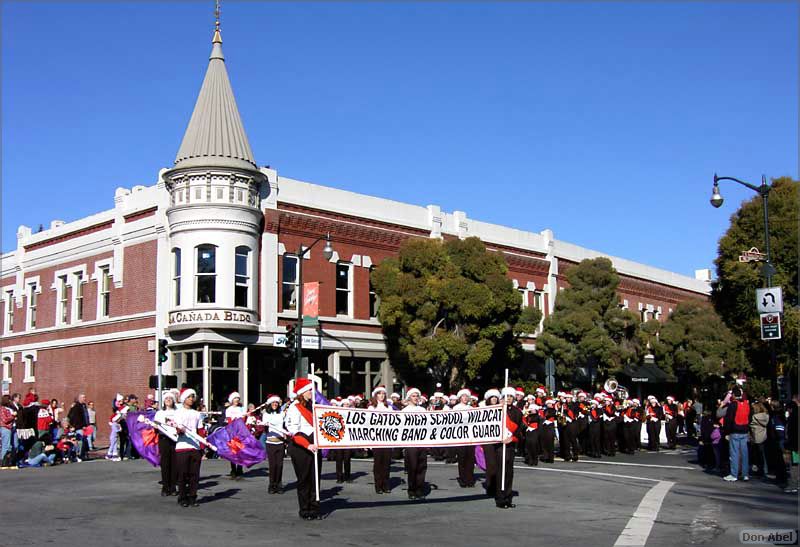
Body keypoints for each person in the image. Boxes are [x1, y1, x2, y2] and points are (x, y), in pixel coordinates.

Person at [285, 378, 321, 520]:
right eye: (310, 389)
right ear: (302, 392)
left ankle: (315, 507)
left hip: (314, 444)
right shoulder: (294, 407)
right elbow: (294, 431)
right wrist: (307, 445)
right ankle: (305, 509)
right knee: (304, 479)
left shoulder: (313, 406)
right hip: (301, 446)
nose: (312, 392)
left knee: (315, 478)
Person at [484, 387, 523, 509]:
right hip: (499, 445)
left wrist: (512, 438)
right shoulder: (498, 410)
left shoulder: (517, 412)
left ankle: (508, 496)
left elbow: (520, 429)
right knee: (501, 471)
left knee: (509, 472)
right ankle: (500, 498)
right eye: (506, 397)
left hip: (510, 444)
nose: (509, 399)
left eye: (511, 397)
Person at [173, 388, 203, 507]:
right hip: (182, 446)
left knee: (194, 474)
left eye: (192, 397)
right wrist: (180, 430)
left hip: (195, 447)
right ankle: (182, 497)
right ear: (184, 399)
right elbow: (176, 429)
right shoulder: (178, 413)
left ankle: (193, 497)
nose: (191, 399)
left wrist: (202, 447)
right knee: (183, 474)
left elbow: (200, 431)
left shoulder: (197, 414)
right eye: (189, 397)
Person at [402, 388, 427, 500]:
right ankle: (411, 489)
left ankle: (419, 489)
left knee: (422, 466)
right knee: (412, 466)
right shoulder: (404, 411)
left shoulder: (423, 410)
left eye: (417, 395)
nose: (416, 398)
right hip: (410, 443)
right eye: (413, 396)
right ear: (409, 398)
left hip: (421, 442)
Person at [368, 385, 393, 494]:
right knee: (378, 463)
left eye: (383, 393)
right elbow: (368, 424)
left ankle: (386, 485)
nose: (381, 395)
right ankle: (378, 485)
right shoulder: (371, 408)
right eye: (379, 393)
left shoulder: (389, 407)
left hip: (387, 438)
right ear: (375, 395)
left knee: (387, 463)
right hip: (376, 439)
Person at [722, 387, 751, 482]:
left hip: (734, 431)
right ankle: (745, 474)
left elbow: (728, 420)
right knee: (744, 453)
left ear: (734, 395)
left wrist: (726, 432)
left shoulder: (733, 405)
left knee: (734, 453)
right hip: (744, 430)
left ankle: (734, 474)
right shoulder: (746, 404)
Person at [154, 391, 179, 496]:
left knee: (175, 463)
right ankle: (165, 487)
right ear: (163, 401)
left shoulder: (178, 412)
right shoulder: (160, 413)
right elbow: (155, 426)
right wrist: (156, 426)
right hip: (164, 439)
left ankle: (173, 487)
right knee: (165, 463)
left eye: (170, 398)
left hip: (175, 439)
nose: (168, 400)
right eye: (166, 399)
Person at [261, 395, 286, 494]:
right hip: (270, 442)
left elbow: (285, 425)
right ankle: (272, 485)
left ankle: (279, 484)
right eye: (273, 403)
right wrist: (265, 425)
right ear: (270, 404)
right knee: (273, 465)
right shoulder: (266, 414)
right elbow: (265, 427)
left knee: (279, 465)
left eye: (276, 403)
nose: (275, 404)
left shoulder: (281, 414)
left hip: (280, 442)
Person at [452, 388, 476, 486]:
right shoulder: (456, 408)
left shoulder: (471, 409)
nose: (465, 398)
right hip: (460, 436)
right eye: (463, 396)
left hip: (470, 437)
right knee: (462, 458)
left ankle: (470, 479)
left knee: (470, 459)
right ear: (460, 398)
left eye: (467, 396)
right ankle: (463, 479)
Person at [225, 392, 246, 480]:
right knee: (233, 452)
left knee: (240, 451)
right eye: (235, 398)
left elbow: (244, 420)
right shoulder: (229, 409)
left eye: (238, 398)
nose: (237, 400)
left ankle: (239, 469)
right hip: (232, 432)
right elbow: (229, 421)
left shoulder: (241, 409)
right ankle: (233, 470)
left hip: (240, 432)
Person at [66, 393, 90, 460]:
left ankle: (83, 454)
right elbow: (74, 417)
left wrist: (86, 424)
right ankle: (78, 455)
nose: (85, 399)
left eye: (85, 397)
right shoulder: (76, 406)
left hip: (84, 426)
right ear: (79, 398)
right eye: (83, 398)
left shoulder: (84, 406)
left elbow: (85, 416)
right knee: (80, 440)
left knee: (85, 440)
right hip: (78, 427)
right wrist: (79, 426)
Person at [749, 401, 769, 477]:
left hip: (756, 437)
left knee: (758, 455)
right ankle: (765, 470)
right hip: (764, 437)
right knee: (763, 455)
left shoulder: (754, 417)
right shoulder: (766, 416)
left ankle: (760, 470)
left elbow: (751, 425)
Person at [106, 394, 125, 461]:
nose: (121, 402)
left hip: (117, 423)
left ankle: (111, 454)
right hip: (115, 423)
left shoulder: (120, 408)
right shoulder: (117, 409)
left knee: (114, 439)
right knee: (114, 438)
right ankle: (112, 454)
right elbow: (114, 418)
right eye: (120, 401)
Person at [1, 394, 16, 469]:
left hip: (11, 428)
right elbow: (5, 420)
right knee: (5, 445)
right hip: (5, 428)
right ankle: (2, 461)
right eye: (9, 399)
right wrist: (13, 416)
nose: (10, 401)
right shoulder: (2, 409)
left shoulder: (10, 408)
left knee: (12, 445)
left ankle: (9, 461)